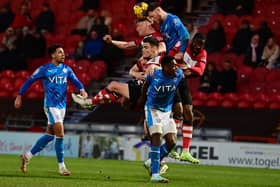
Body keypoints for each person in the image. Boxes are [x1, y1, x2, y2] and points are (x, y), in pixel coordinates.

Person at [14, 44, 88, 176]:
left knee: (50, 135)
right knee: (60, 134)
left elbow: (76, 80)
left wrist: (82, 89)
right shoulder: (44, 69)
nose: (63, 55)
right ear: (53, 55)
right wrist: (19, 96)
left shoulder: (66, 69)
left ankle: (27, 156)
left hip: (62, 106)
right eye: (60, 52)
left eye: (63, 52)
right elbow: (29, 81)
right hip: (50, 105)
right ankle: (62, 167)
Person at [72, 36, 161, 110]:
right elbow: (131, 71)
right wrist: (136, 74)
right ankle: (91, 103)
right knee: (113, 91)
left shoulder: (161, 60)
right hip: (140, 89)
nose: (143, 50)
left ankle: (91, 103)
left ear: (154, 48)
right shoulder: (143, 60)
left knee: (113, 85)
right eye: (142, 48)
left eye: (146, 48)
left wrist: (154, 69)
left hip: (150, 92)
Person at [140, 55, 184, 183]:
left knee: (172, 141)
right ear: (164, 67)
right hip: (152, 109)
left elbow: (185, 74)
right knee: (157, 137)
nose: (175, 67)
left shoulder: (178, 75)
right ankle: (155, 175)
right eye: (172, 65)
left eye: (176, 65)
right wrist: (142, 99)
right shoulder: (155, 75)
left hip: (166, 111)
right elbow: (145, 85)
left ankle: (151, 161)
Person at [175, 33, 207, 163]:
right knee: (177, 111)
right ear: (192, 42)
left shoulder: (203, 53)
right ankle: (170, 146)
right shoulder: (182, 46)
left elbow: (200, 71)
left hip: (182, 81)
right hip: (171, 80)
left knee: (188, 113)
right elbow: (169, 56)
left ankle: (186, 152)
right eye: (196, 44)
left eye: (200, 45)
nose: (197, 47)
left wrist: (188, 67)